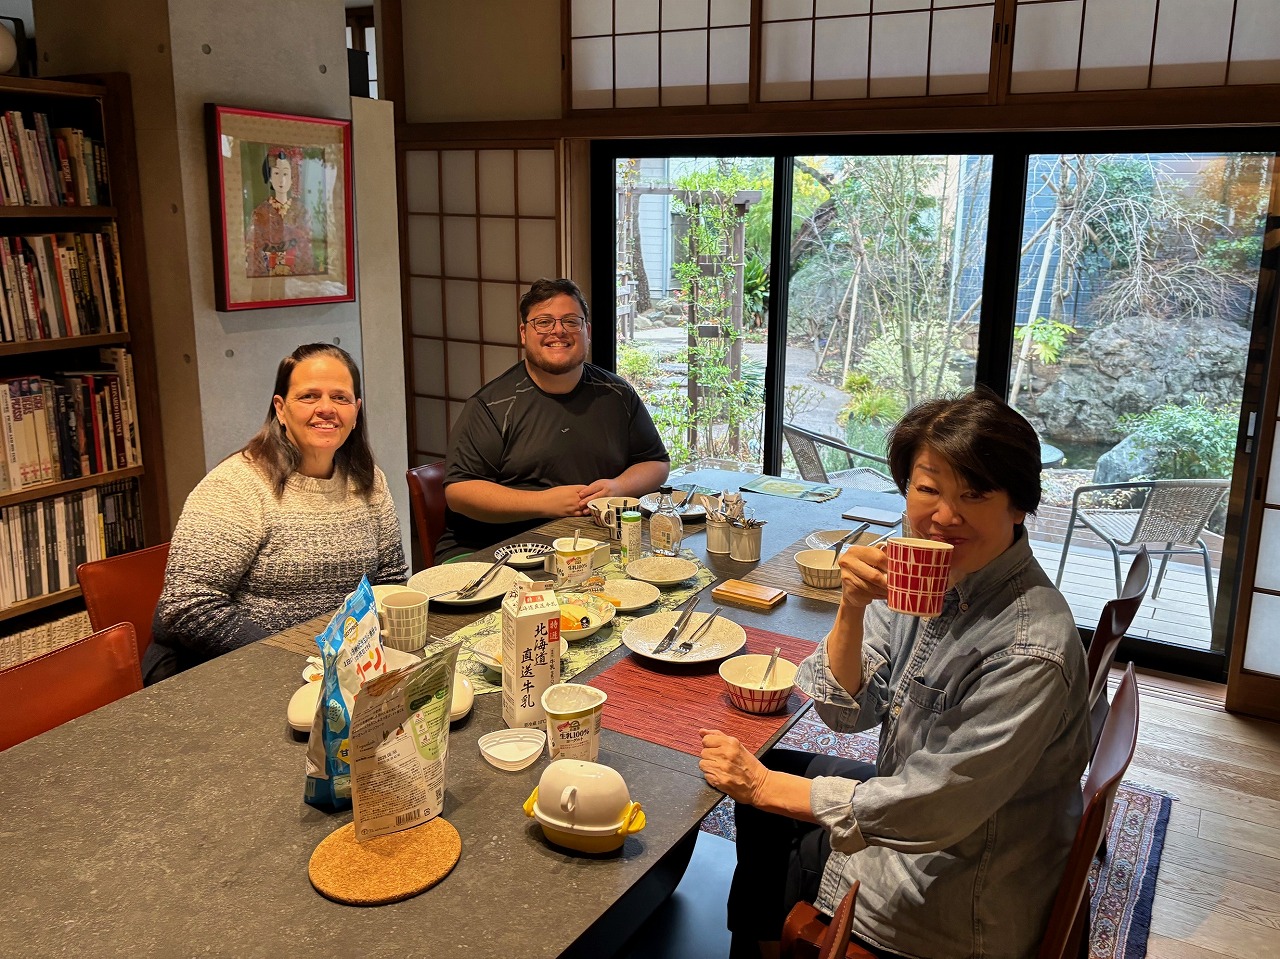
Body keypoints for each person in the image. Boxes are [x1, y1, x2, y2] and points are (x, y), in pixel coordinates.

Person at [699, 388, 1090, 959]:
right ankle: (760, 946)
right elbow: (844, 714)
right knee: (772, 780)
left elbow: (932, 807)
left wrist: (764, 788)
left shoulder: (1029, 647)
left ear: (1018, 505)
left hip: (952, 894)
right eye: (928, 489)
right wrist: (852, 606)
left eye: (974, 493)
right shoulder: (928, 570)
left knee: (768, 796)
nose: (945, 516)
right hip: (933, 822)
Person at [145, 344, 408, 685]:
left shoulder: (368, 479)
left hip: (342, 669)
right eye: (309, 396)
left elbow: (390, 579)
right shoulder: (236, 485)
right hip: (237, 671)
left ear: (356, 412)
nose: (326, 409)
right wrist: (292, 661)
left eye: (340, 398)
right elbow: (187, 605)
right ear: (281, 409)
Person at [436, 277, 670, 559]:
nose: (558, 331)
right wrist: (544, 503)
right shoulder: (492, 405)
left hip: (590, 544)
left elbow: (655, 462)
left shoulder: (617, 393)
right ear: (524, 333)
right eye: (543, 322)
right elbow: (460, 492)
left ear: (587, 331)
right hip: (494, 550)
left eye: (571, 321)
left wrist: (618, 487)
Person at [245, 147, 316, 278]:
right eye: (277, 173)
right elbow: (253, 248)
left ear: (292, 178)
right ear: (270, 177)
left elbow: (306, 248)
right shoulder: (260, 212)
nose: (281, 180)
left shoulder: (301, 211)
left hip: (297, 278)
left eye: (285, 174)